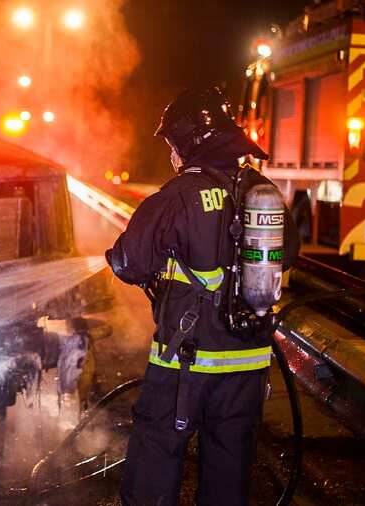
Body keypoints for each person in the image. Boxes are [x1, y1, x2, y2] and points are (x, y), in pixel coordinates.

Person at [106, 87, 300, 506]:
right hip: (248, 360)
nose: (172, 154)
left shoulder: (179, 194)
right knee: (229, 465)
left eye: (174, 145)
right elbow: (286, 257)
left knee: (157, 454)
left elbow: (129, 263)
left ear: (190, 142)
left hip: (186, 359)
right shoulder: (261, 190)